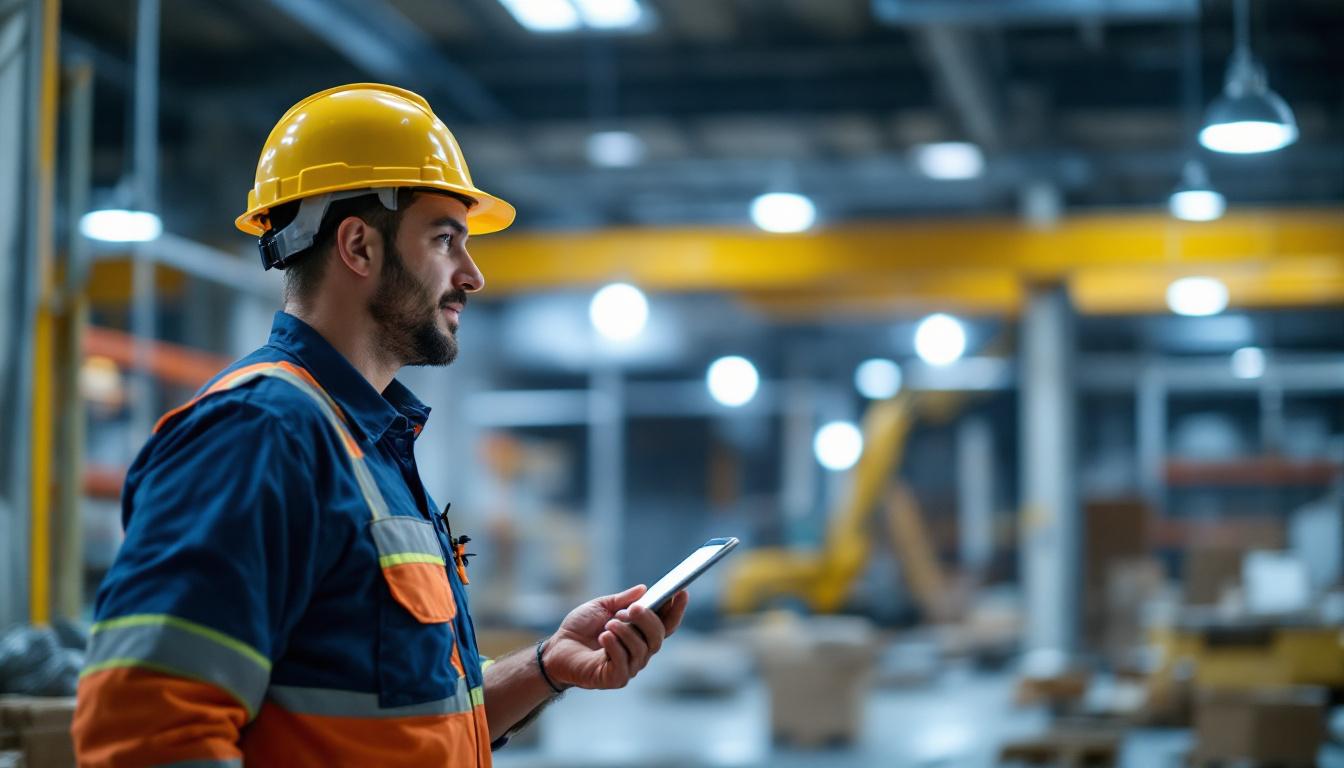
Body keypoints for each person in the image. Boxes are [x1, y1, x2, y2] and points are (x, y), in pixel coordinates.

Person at [72, 83, 689, 767]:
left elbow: (407, 721)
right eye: (445, 238)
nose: (473, 275)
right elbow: (146, 738)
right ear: (360, 246)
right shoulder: (259, 436)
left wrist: (546, 666)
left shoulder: (368, 443)